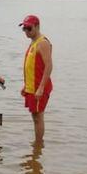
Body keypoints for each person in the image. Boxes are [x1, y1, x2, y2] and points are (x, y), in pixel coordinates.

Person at [20, 14, 53, 145]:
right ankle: (37, 143)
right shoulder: (33, 42)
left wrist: (41, 88)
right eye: (24, 29)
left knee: (38, 117)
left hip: (39, 87)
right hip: (31, 86)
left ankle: (38, 145)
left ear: (37, 27)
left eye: (29, 28)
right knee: (34, 116)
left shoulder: (43, 43)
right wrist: (26, 85)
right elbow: (32, 66)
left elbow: (49, 66)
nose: (26, 32)